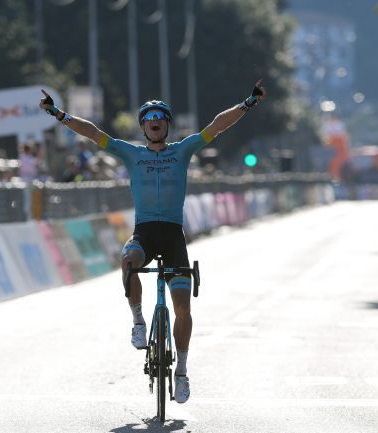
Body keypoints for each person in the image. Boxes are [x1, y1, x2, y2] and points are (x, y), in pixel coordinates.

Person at [39, 80, 266, 404]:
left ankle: (182, 372)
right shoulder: (130, 153)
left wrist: (249, 102)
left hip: (173, 235)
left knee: (183, 308)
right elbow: (91, 132)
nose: (155, 120)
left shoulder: (183, 150)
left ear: (166, 125)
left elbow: (216, 126)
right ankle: (138, 321)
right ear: (144, 126)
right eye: (148, 117)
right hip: (144, 232)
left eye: (160, 116)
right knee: (128, 260)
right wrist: (57, 113)